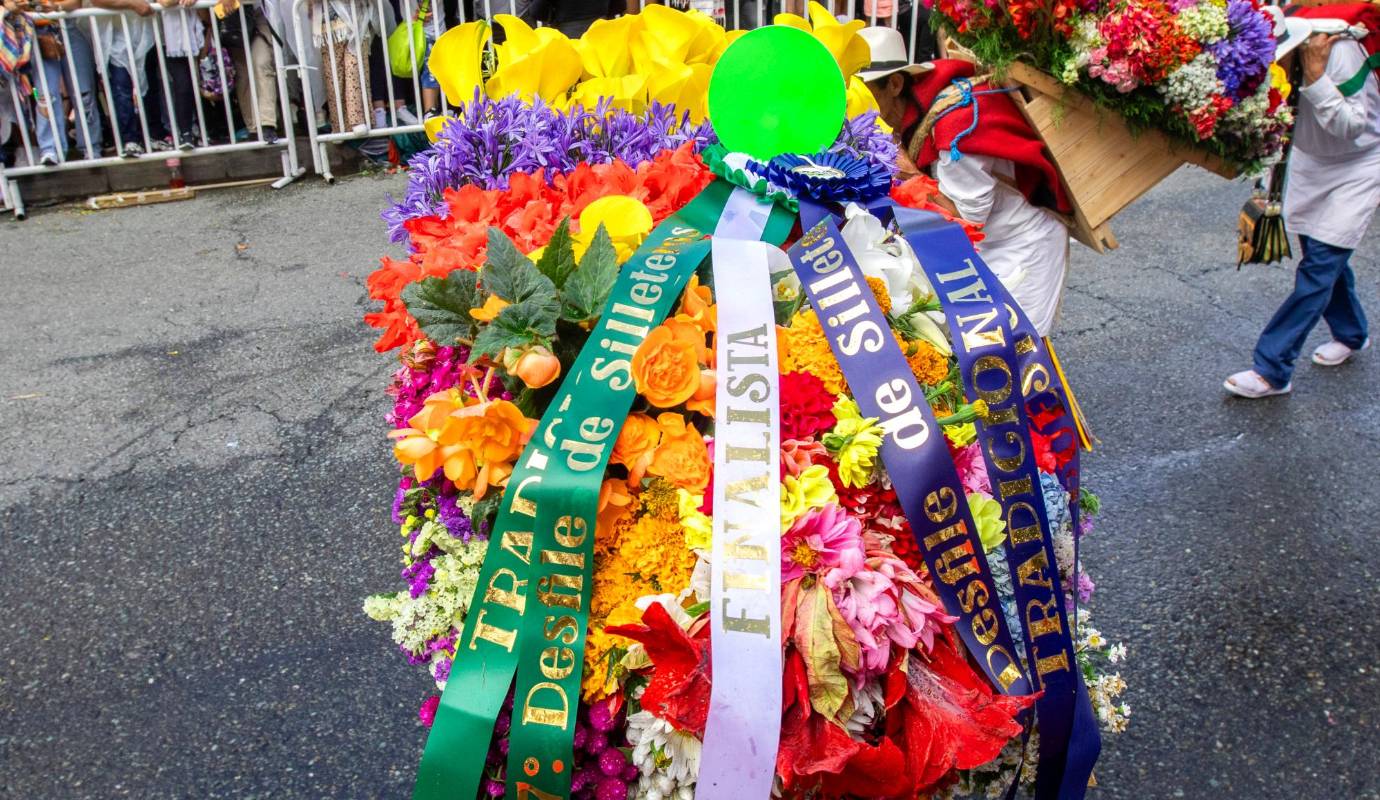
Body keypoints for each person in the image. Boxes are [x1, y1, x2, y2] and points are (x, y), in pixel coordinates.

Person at [863, 26, 1073, 336]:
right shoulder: (916, 116)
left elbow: (966, 222)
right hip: (986, 244)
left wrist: (909, 173)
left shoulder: (956, 123)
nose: (857, 104)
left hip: (1021, 245)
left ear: (895, 84)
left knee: (1019, 350)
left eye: (864, 92)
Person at [1223, 7, 1380, 399]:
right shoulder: (1291, 25)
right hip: (1313, 162)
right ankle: (1352, 332)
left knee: (1319, 267)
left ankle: (1272, 369)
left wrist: (1315, 76)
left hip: (1360, 164)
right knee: (1321, 255)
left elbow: (1351, 126)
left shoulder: (1339, 51)